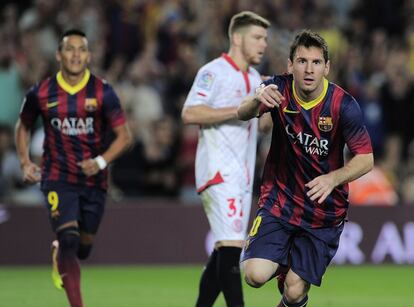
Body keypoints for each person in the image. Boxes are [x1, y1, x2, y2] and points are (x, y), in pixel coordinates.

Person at [237, 29, 374, 307]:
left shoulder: (343, 105)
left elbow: (366, 158)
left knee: (294, 292)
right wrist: (257, 99)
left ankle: (290, 272)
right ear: (290, 65)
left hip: (323, 212)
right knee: (253, 275)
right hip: (280, 201)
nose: (308, 69)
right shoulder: (278, 89)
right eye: (302, 61)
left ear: (327, 68)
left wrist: (333, 179)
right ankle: (285, 262)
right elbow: (242, 113)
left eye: (315, 62)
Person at [15, 29, 132, 307]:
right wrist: (25, 161)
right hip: (57, 176)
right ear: (59, 55)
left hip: (94, 180)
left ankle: (61, 253)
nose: (76, 54)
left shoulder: (102, 91)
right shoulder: (41, 92)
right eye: (70, 49)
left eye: (81, 49)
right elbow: (24, 125)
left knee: (83, 248)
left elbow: (125, 136)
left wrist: (101, 161)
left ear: (89, 56)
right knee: (69, 238)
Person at [181, 11, 271, 307]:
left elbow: (262, 126)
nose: (263, 44)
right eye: (257, 38)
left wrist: (275, 102)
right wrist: (238, 109)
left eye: (265, 39)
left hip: (242, 177)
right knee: (232, 251)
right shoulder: (214, 72)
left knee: (224, 251)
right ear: (236, 37)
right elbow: (190, 112)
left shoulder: (255, 78)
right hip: (219, 173)